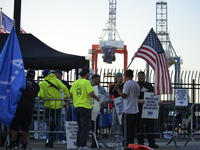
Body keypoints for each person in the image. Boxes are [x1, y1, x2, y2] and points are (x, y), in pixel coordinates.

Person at [6, 69, 40, 149]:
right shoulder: (37, 86)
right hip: (30, 107)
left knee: (16, 125)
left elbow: (17, 91)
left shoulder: (22, 82)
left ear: (27, 74)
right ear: (34, 76)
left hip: (20, 106)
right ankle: (24, 144)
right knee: (26, 126)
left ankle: (13, 142)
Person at [38, 69, 70, 148]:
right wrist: (66, 97)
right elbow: (65, 89)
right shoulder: (56, 80)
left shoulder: (42, 84)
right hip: (58, 105)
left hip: (48, 106)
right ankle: (52, 141)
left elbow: (40, 95)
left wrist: (45, 99)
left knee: (46, 119)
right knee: (57, 123)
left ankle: (50, 139)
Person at [70, 68, 99, 150]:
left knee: (79, 127)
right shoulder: (86, 82)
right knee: (85, 127)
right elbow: (91, 93)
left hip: (77, 106)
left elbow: (70, 94)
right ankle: (83, 145)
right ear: (87, 74)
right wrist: (97, 98)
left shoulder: (75, 82)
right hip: (85, 106)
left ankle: (78, 144)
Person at [114, 69, 140, 149]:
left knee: (126, 129)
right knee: (132, 129)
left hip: (128, 110)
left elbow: (124, 95)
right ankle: (131, 144)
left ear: (125, 76)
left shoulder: (127, 84)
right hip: (135, 109)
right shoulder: (136, 84)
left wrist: (117, 89)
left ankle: (125, 145)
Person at [136, 71, 162, 149]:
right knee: (139, 127)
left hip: (149, 109)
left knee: (150, 126)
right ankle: (140, 143)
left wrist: (159, 101)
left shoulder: (149, 85)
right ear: (138, 77)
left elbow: (154, 95)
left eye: (142, 76)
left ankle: (151, 142)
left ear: (145, 76)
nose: (141, 77)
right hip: (139, 108)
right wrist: (139, 100)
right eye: (140, 76)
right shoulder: (136, 85)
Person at [90, 74, 110, 148]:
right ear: (93, 79)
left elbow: (107, 96)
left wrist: (105, 101)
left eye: (99, 79)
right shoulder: (88, 86)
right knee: (86, 126)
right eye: (97, 79)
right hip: (88, 108)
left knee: (95, 127)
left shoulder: (101, 89)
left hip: (96, 110)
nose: (99, 81)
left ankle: (94, 141)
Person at [107, 72, 124, 148]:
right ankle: (111, 140)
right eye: (118, 77)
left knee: (121, 124)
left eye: (121, 76)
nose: (120, 78)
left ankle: (120, 140)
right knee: (114, 123)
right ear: (115, 78)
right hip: (116, 106)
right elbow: (109, 96)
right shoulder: (113, 87)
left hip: (123, 106)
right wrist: (112, 100)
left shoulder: (124, 85)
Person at [54, 69, 70, 145]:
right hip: (54, 106)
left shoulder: (65, 83)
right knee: (53, 122)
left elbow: (69, 93)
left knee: (62, 122)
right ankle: (52, 138)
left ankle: (61, 138)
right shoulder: (53, 82)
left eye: (56, 73)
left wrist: (67, 102)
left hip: (63, 106)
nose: (55, 75)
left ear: (60, 74)